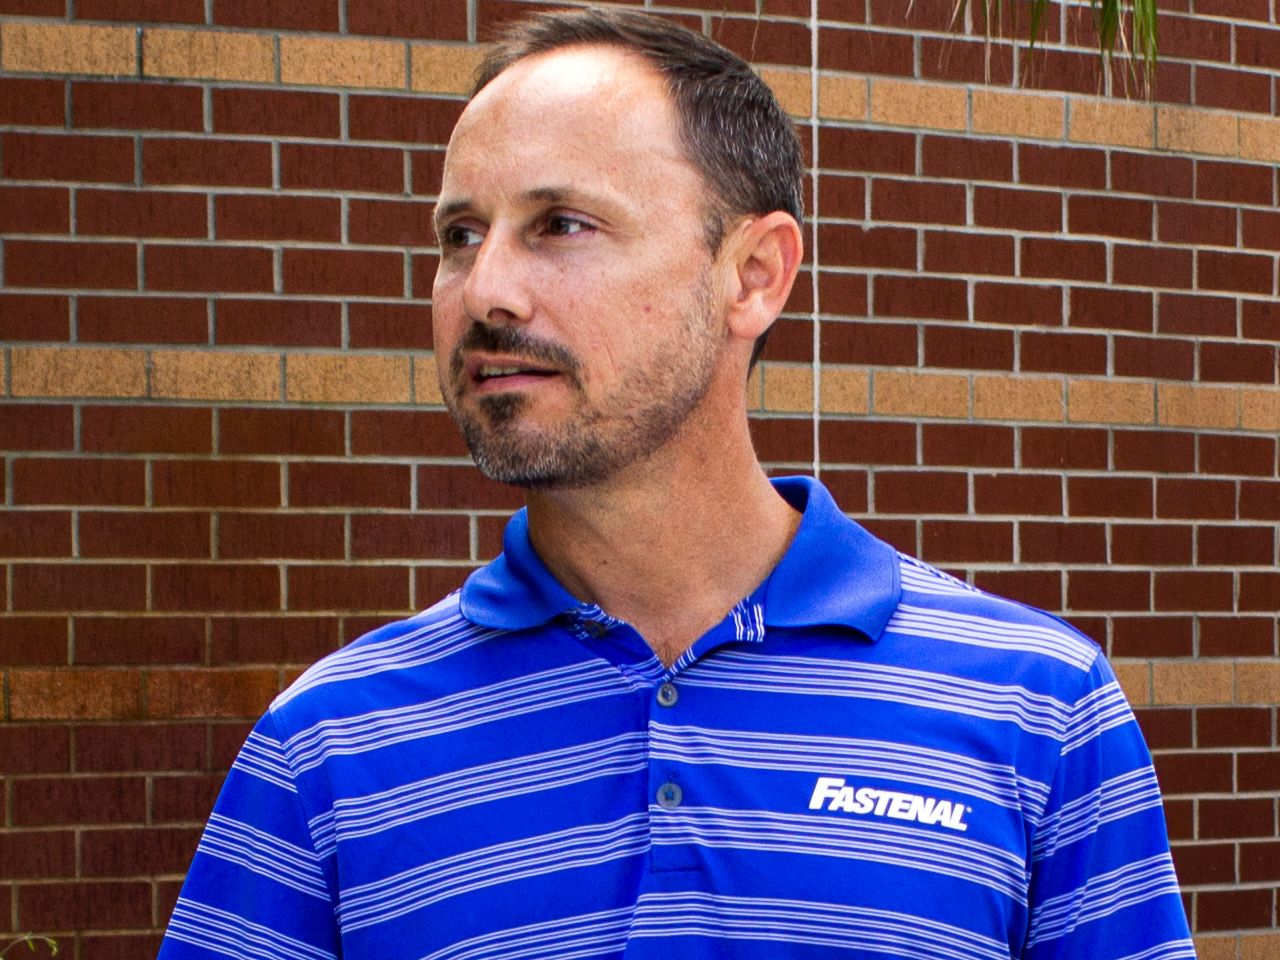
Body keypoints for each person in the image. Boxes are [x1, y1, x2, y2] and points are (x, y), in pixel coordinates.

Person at [158, 9, 1195, 960]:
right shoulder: (331, 742)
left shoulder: (1035, 709)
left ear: (753, 274)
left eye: (560, 224)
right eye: (459, 236)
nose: (485, 290)